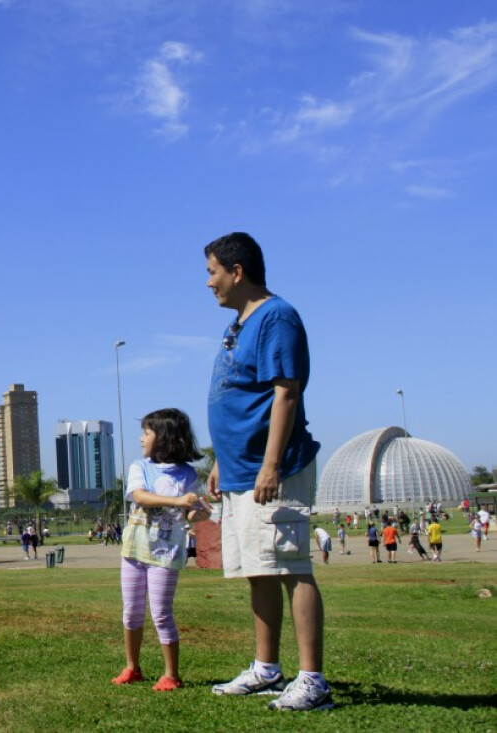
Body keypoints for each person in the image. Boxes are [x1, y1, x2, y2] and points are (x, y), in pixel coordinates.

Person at [203, 233, 332, 711]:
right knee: (259, 570)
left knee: (292, 567)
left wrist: (271, 464)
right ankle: (266, 668)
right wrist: (221, 459)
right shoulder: (238, 323)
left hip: (271, 468)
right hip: (239, 470)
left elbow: (285, 392)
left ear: (237, 272)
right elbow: (238, 394)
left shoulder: (277, 316)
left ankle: (313, 681)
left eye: (213, 272)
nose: (209, 283)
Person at [113, 408, 211, 692]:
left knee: (161, 614)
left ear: (165, 437)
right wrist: (179, 501)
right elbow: (139, 496)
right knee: (131, 612)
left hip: (165, 555)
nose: (141, 439)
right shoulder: (140, 467)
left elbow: (190, 513)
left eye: (147, 433)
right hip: (134, 551)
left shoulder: (187, 474)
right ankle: (132, 667)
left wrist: (200, 514)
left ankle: (171, 674)